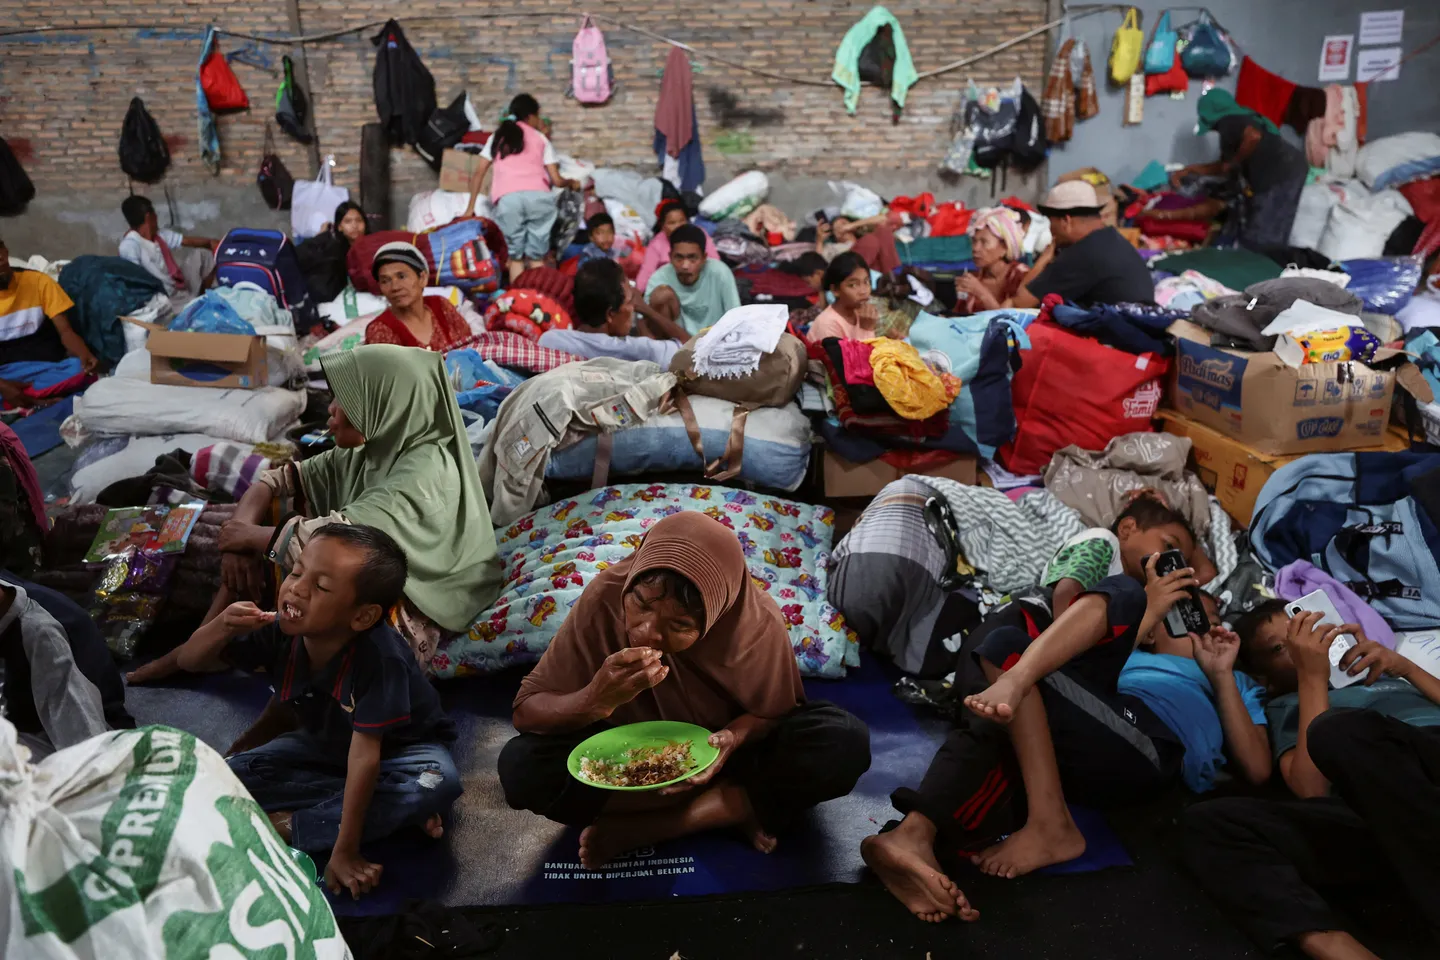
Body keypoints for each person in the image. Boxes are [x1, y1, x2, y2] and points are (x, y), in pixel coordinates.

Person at [498, 512, 871, 869]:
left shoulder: (753, 626)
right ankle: (740, 806)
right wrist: (594, 699)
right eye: (640, 604)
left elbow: (775, 714)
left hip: (727, 760)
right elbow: (527, 712)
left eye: (679, 625)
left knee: (841, 741)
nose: (646, 632)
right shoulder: (605, 596)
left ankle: (678, 820)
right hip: (628, 759)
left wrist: (732, 738)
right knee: (522, 767)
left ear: (716, 615)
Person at [125, 345, 503, 684]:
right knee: (259, 528)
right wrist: (239, 539)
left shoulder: (424, 471)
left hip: (418, 590)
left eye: (347, 401)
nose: (332, 410)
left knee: (280, 551)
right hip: (333, 554)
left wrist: (248, 537)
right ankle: (199, 648)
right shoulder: (375, 450)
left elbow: (336, 543)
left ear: (386, 406)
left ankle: (198, 651)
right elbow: (274, 481)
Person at [172, 524, 463, 900]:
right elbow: (189, 660)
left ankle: (289, 825)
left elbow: (366, 756)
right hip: (324, 745)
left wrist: (345, 852)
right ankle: (385, 812)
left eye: (321, 587)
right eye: (296, 572)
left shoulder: (381, 658)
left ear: (362, 617)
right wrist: (223, 625)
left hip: (403, 753)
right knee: (223, 775)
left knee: (436, 782)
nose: (296, 588)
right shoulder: (281, 631)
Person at [1182, 604, 1440, 959]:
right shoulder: (1288, 705)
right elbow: (1312, 790)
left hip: (1428, 760)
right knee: (1209, 822)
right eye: (1283, 646)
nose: (1308, 644)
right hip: (1386, 820)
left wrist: (1407, 668)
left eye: (1314, 630)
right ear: (1266, 679)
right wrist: (1312, 678)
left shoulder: (1392, 676)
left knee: (1341, 731)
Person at [0, 570, 134, 758]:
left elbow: (87, 745)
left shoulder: (43, 635)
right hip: (28, 716)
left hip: (92, 736)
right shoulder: (6, 592)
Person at [1170, 89, 1309, 252]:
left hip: (1280, 173)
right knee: (1277, 226)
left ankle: (1258, 262)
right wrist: (1189, 170)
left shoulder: (1229, 121)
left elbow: (1253, 137)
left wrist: (1235, 161)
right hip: (1293, 168)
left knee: (1262, 231)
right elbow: (1222, 167)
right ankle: (1268, 260)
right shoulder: (1243, 118)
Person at [462, 94, 580, 281]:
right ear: (530, 116)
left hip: (509, 200)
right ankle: (539, 297)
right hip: (539, 199)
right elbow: (557, 181)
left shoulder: (498, 137)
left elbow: (478, 173)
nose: (539, 121)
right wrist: (571, 182)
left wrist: (469, 208)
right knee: (537, 258)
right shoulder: (540, 139)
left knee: (515, 258)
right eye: (538, 116)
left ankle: (517, 297)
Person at [1011, 181, 1155, 308]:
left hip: (1117, 330)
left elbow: (1021, 302)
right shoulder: (1110, 239)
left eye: (1051, 222)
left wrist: (1045, 257)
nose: (1050, 230)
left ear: (1066, 221)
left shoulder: (1081, 253)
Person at [0, 240, 100, 406]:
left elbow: (65, 331)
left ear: (5, 251)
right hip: (4, 374)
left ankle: (20, 400)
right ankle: (34, 399)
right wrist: (3, 386)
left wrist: (84, 355)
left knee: (78, 369)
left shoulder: (38, 282)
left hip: (43, 369)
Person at [538, 258, 679, 365]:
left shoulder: (551, 341)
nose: (634, 308)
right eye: (630, 302)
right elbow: (688, 351)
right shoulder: (639, 351)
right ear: (610, 314)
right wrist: (647, 310)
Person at [636, 224, 740, 340]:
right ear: (670, 257)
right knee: (662, 295)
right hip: (676, 343)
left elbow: (736, 316)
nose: (685, 265)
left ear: (704, 258)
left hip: (715, 341)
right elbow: (642, 320)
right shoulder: (660, 277)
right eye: (679, 258)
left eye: (692, 258)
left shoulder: (720, 273)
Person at [363, 242, 473, 351]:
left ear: (422, 278)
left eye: (401, 276)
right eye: (385, 281)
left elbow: (470, 347)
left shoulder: (441, 306)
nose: (395, 287)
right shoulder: (380, 330)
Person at [116, 195, 217, 302]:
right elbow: (134, 282)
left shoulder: (159, 236)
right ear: (149, 217)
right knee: (197, 307)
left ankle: (199, 297)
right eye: (155, 213)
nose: (157, 217)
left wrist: (213, 243)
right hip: (164, 297)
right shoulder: (130, 245)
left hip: (176, 284)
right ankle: (194, 302)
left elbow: (188, 241)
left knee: (203, 255)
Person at [953, 207, 1030, 314]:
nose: (975, 248)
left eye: (984, 242)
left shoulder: (1021, 276)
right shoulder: (974, 278)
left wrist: (980, 292)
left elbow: (1011, 320)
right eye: (974, 241)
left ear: (1004, 248)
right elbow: (959, 316)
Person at [635, 200, 722, 290]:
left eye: (682, 221)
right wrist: (638, 292)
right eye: (672, 223)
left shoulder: (699, 234)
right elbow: (646, 273)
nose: (678, 226)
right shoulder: (656, 245)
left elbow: (715, 262)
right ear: (663, 226)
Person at [297, 200, 369, 304]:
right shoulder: (333, 251)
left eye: (359, 220)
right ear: (339, 227)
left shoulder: (371, 246)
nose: (355, 225)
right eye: (348, 221)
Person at [806, 252, 878, 343]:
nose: (863, 291)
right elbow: (862, 352)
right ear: (835, 290)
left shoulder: (860, 313)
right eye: (853, 285)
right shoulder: (828, 324)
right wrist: (866, 329)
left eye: (866, 282)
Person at [816, 212, 902, 277]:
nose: (842, 228)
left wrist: (853, 225)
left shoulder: (865, 238)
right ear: (835, 235)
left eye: (844, 223)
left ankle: (894, 278)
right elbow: (817, 263)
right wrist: (819, 241)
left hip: (878, 270)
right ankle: (893, 278)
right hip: (851, 271)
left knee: (883, 231)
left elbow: (884, 220)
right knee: (870, 240)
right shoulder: (833, 247)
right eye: (837, 228)